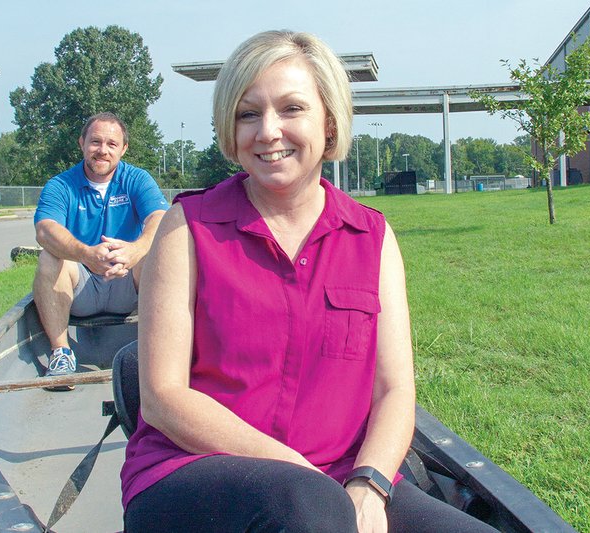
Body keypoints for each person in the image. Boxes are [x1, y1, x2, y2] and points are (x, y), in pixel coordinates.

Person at [121, 31, 495, 533]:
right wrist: (304, 476)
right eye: (248, 114)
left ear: (330, 120)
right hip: (193, 471)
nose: (268, 131)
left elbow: (394, 391)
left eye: (291, 108)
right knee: (304, 508)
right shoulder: (187, 228)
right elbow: (163, 397)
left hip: (342, 477)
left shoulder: (372, 237)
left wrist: (369, 486)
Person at [33, 112, 168, 389]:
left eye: (111, 144)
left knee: (159, 255)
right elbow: (45, 230)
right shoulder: (61, 185)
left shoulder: (137, 180)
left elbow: (160, 218)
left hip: (126, 282)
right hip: (81, 285)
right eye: (95, 142)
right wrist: (86, 255)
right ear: (82, 143)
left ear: (123, 148)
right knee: (48, 258)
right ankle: (61, 354)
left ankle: (160, 351)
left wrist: (135, 250)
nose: (102, 150)